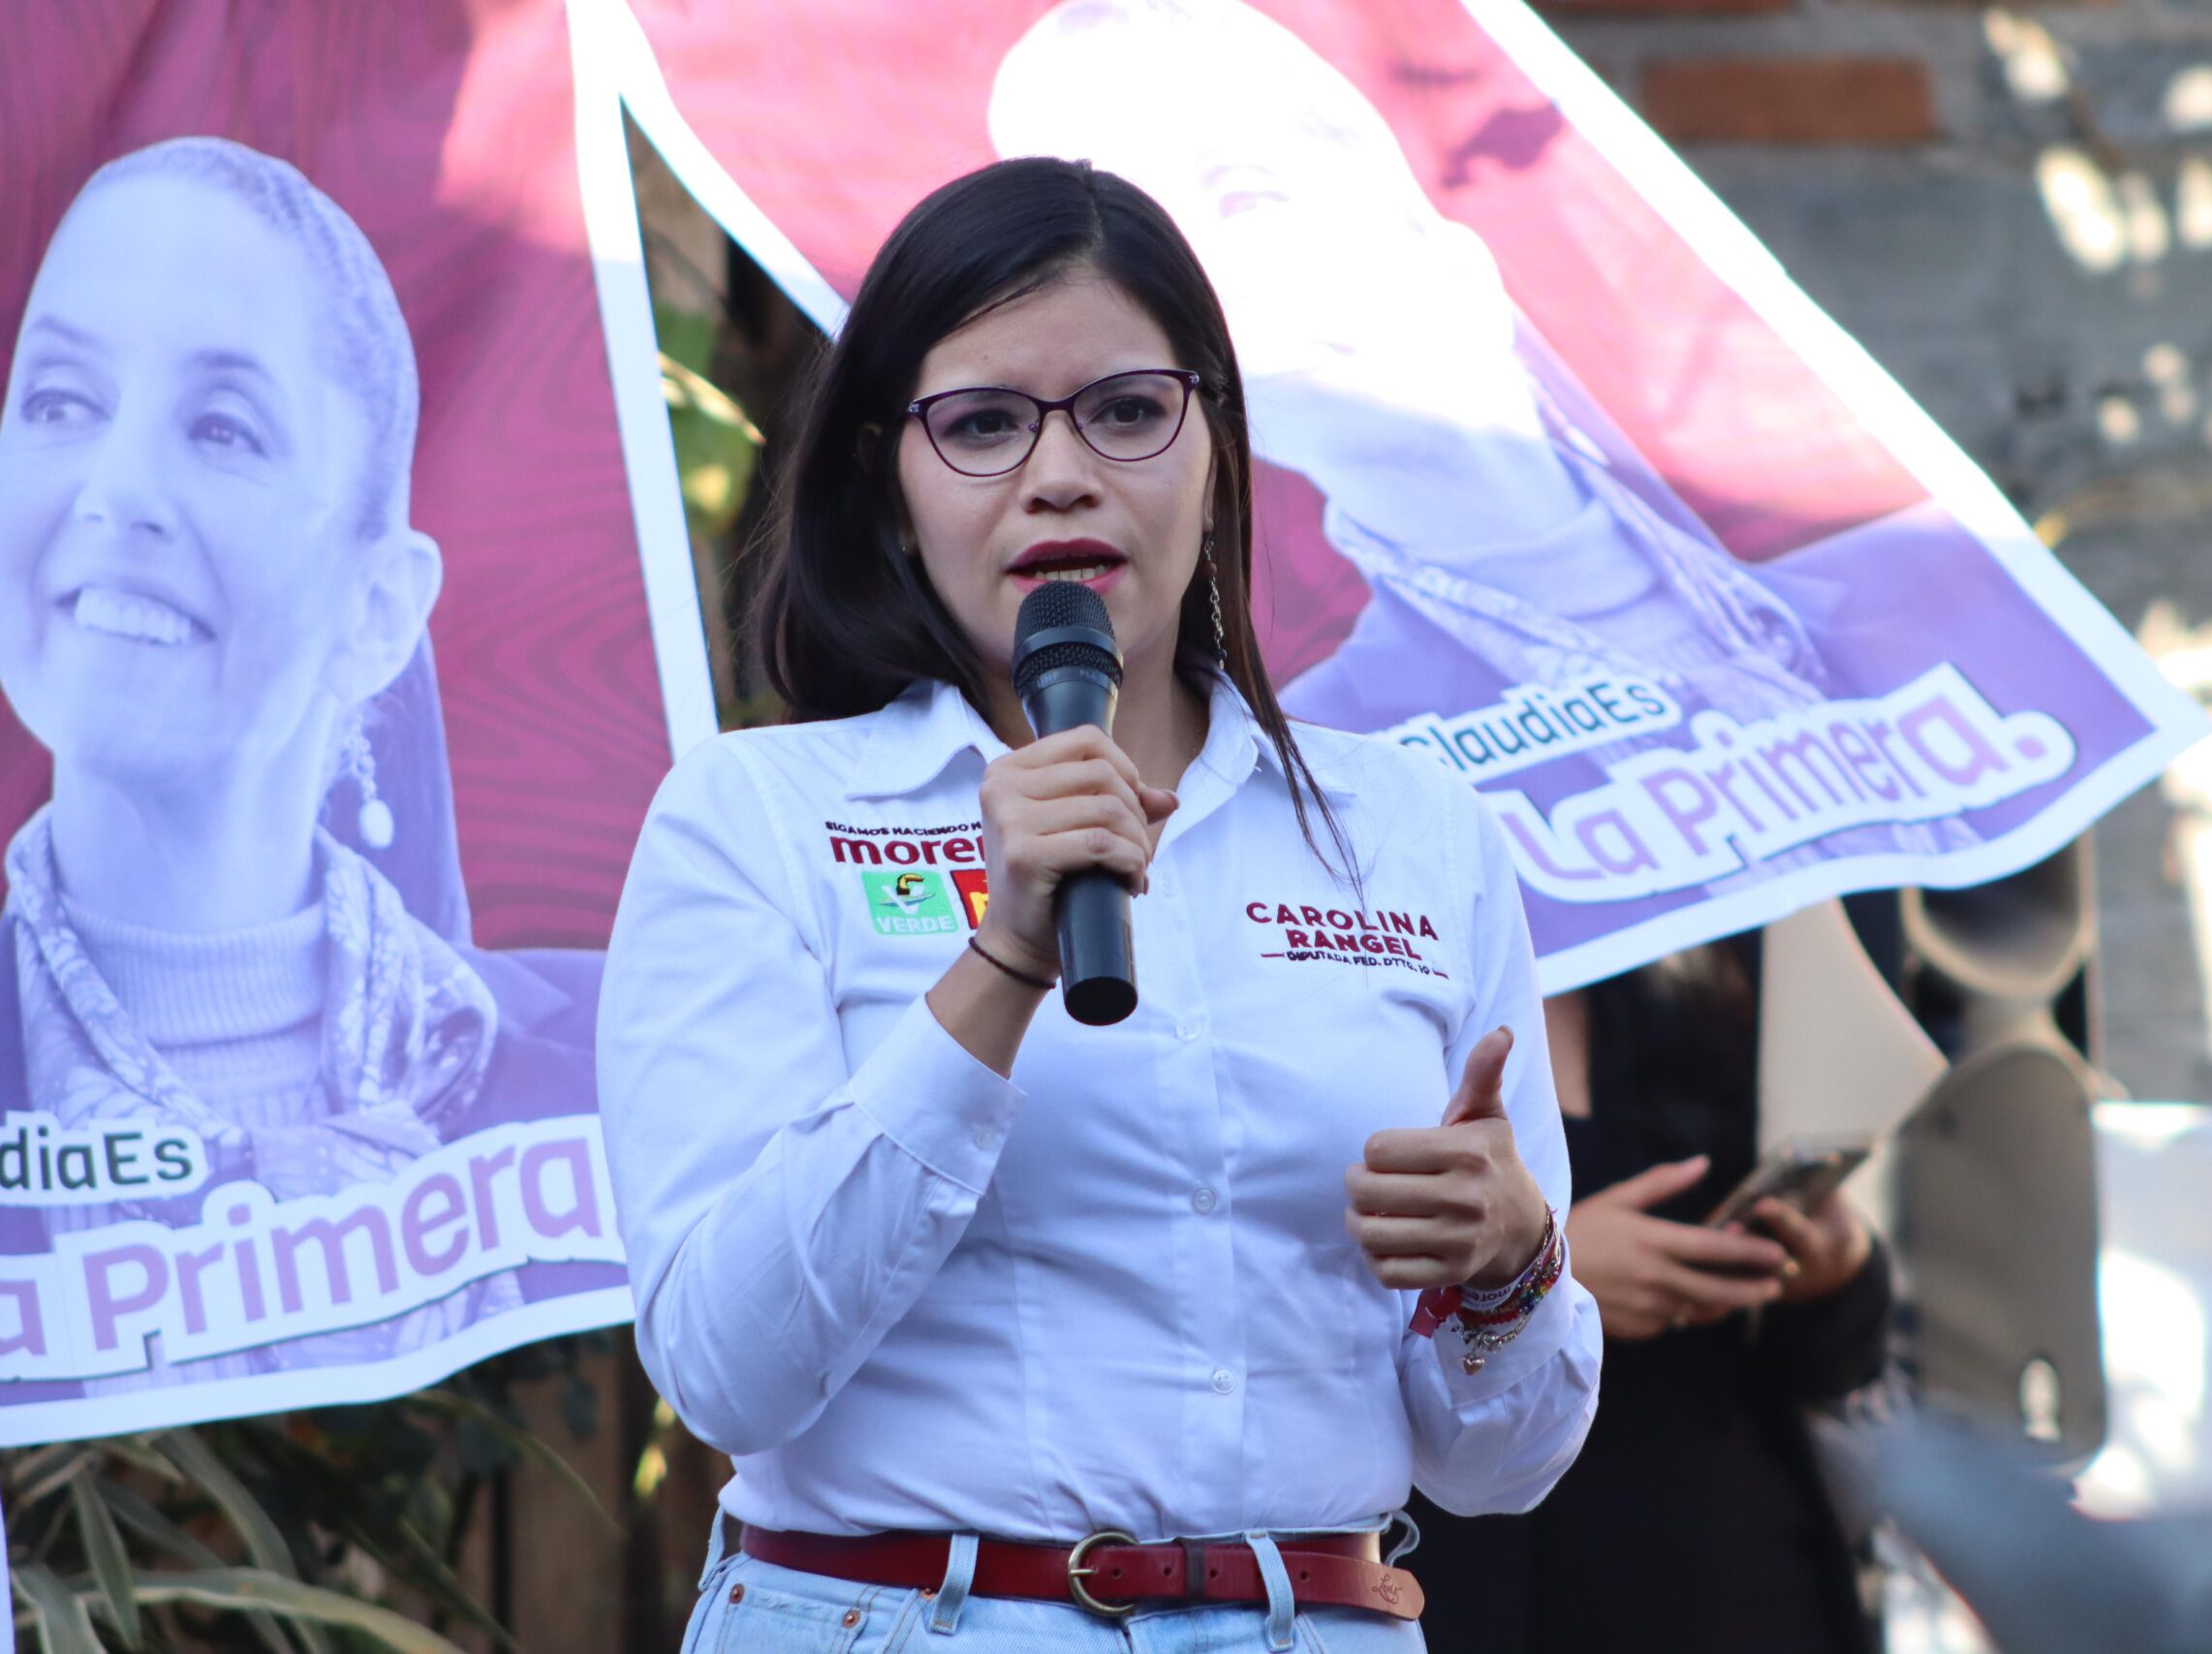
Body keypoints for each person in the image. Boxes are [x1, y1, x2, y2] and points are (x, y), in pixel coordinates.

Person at [598, 156, 1600, 1653]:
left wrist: (1512, 1267)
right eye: (986, 422)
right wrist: (1001, 957)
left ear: (1215, 450)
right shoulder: (758, 820)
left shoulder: (1412, 830)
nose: (1061, 474)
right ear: (891, 469)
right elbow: (726, 1372)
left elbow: (1502, 1466)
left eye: (1128, 411)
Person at [989, 0, 1972, 875]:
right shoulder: (1325, 761)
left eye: (1243, 195)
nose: (1213, 278)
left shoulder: (1888, 557)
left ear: (1421, 222)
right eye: (1153, 252)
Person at [0, 137, 595, 1388]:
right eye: (59, 401)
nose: (116, 491)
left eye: (220, 426)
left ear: (380, 606)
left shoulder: (591, 1067)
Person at [1408, 935, 1893, 1653]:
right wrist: (1542, 1268)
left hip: (1728, 1557)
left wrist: (1835, 1268)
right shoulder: (1379, 1010)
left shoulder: (1693, 983)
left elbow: (1833, 1362)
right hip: (1481, 1571)